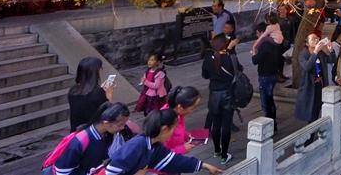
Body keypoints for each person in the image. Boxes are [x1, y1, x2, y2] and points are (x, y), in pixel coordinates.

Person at [103, 108, 221, 175]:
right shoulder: (136, 145)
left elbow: (174, 161)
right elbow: (110, 172)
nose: (174, 132)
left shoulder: (155, 146)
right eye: (173, 129)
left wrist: (204, 166)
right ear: (165, 129)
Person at [46, 102, 129, 175]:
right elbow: (62, 172)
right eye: (120, 125)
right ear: (106, 123)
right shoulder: (80, 141)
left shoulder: (108, 136)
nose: (122, 128)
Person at [200, 34, 241, 165]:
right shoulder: (231, 58)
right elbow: (238, 71)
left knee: (216, 123)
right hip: (228, 94)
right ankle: (224, 155)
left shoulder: (207, 59)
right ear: (225, 44)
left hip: (214, 95)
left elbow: (205, 76)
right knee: (226, 125)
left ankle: (217, 150)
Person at [295, 34, 337, 123]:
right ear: (307, 43)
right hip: (309, 85)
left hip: (320, 84)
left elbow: (331, 60)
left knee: (318, 108)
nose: (317, 40)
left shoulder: (320, 53)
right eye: (313, 39)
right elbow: (307, 67)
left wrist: (331, 50)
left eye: (317, 38)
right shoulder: (303, 54)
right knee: (310, 111)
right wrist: (315, 52)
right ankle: (311, 133)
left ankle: (315, 127)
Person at [68, 57, 113, 132]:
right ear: (95, 73)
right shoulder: (98, 93)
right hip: (92, 132)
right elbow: (109, 113)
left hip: (76, 131)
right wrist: (109, 94)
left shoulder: (73, 90)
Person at [160, 86, 202, 158]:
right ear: (180, 107)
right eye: (192, 108)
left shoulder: (177, 113)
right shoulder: (165, 123)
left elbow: (179, 130)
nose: (192, 111)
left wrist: (187, 136)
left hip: (175, 159)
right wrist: (182, 149)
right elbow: (159, 154)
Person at [252, 22, 281, 120]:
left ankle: (270, 121)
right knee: (269, 99)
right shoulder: (273, 41)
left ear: (261, 32)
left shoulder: (264, 44)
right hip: (273, 73)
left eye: (257, 33)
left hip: (265, 75)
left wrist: (254, 53)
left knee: (267, 100)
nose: (257, 36)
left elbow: (255, 60)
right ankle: (273, 121)